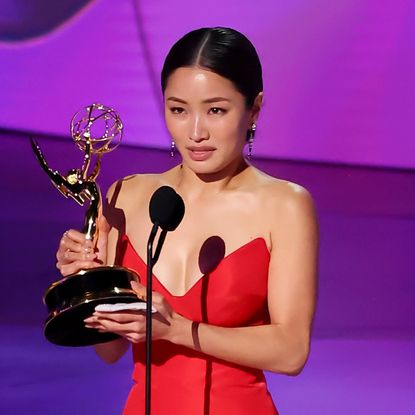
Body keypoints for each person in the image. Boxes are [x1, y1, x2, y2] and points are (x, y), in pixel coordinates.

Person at [56, 27, 318, 415]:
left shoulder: (284, 205)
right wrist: (84, 283)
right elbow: (109, 350)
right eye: (178, 109)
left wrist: (177, 330)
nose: (195, 132)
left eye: (216, 110)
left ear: (254, 109)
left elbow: (291, 351)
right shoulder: (124, 197)